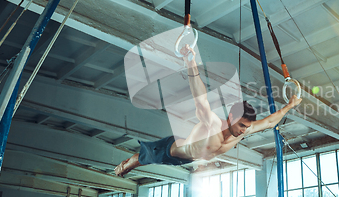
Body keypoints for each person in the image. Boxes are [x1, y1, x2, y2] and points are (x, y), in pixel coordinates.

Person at [115, 45, 302, 176]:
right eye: (241, 125)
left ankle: (129, 164)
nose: (244, 130)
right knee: (141, 159)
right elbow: (200, 99)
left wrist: (289, 106)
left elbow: (269, 121)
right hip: (170, 151)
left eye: (246, 126)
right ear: (230, 117)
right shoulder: (212, 123)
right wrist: (191, 63)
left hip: (187, 160)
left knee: (143, 160)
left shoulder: (245, 130)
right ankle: (125, 164)